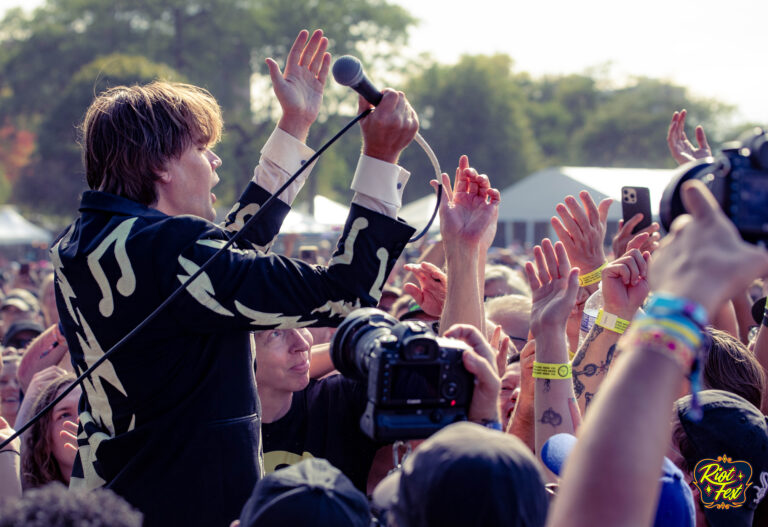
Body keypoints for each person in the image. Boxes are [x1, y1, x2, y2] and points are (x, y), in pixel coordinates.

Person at [51, 29, 418, 526]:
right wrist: (380, 159)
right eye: (203, 148)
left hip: (111, 501)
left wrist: (295, 125)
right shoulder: (172, 251)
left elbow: (224, 260)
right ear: (161, 166)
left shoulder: (82, 244)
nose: (216, 161)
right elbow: (345, 298)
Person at [20, 373, 79, 489]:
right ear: (45, 438)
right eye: (65, 415)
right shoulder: (35, 504)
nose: (80, 419)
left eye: (86, 408)